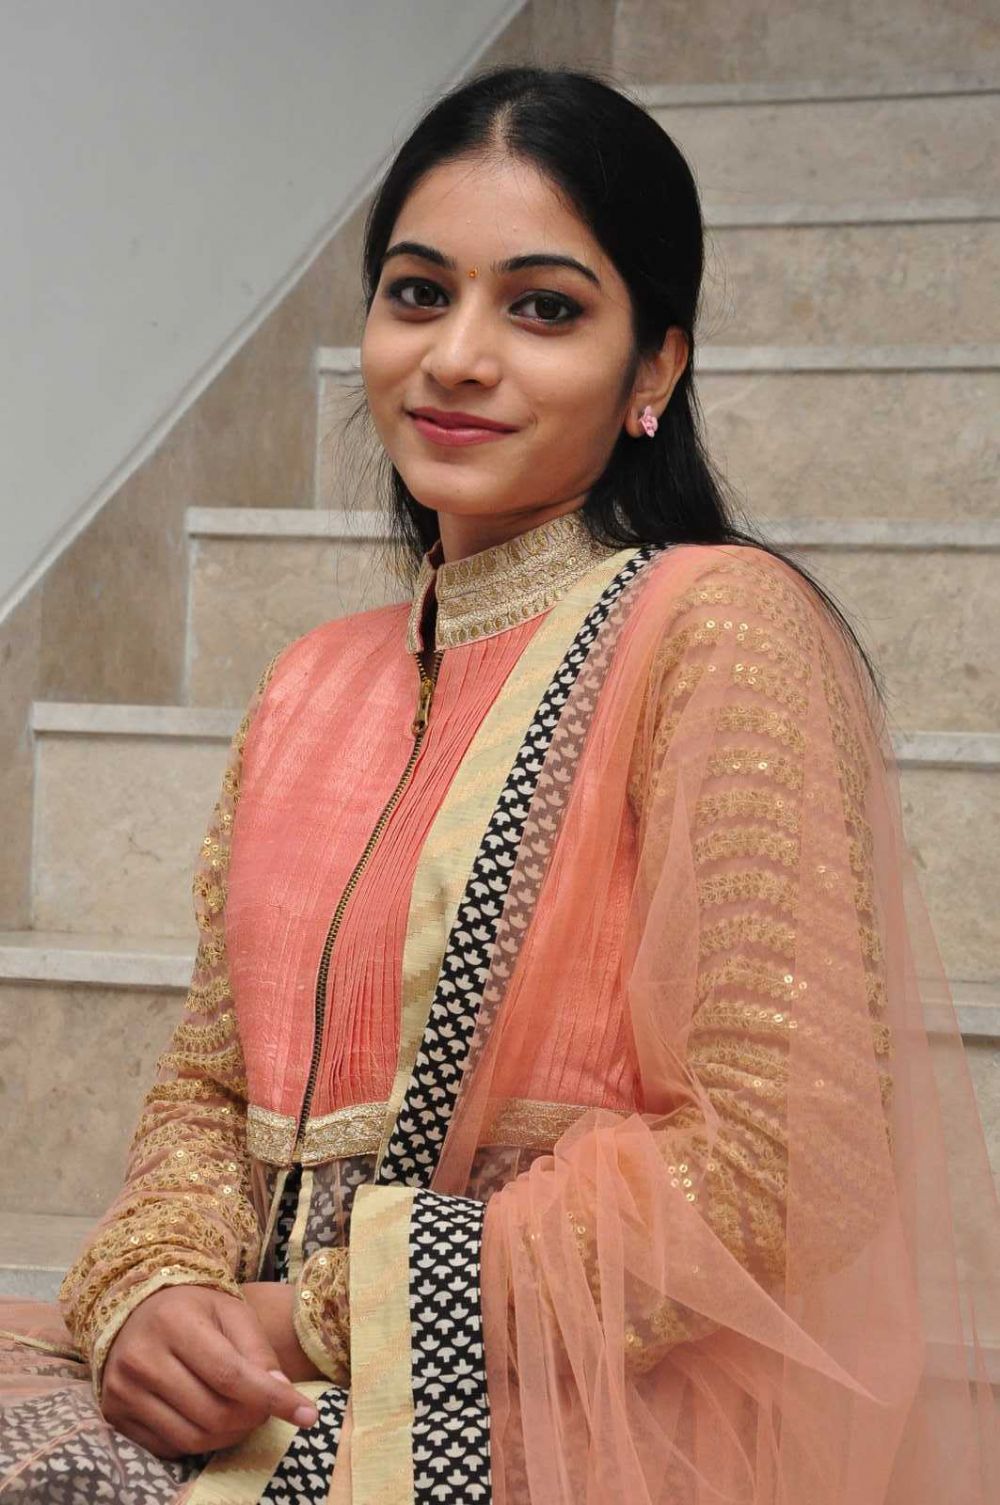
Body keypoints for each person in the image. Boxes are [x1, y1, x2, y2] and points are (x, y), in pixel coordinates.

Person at [1, 62, 997, 1505]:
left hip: (563, 1399)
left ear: (654, 368)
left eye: (544, 308)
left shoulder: (714, 628)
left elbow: (779, 1160)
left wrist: (309, 1316)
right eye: (418, 294)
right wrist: (154, 1295)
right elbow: (211, 1086)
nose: (458, 358)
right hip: (256, 1366)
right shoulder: (311, 681)